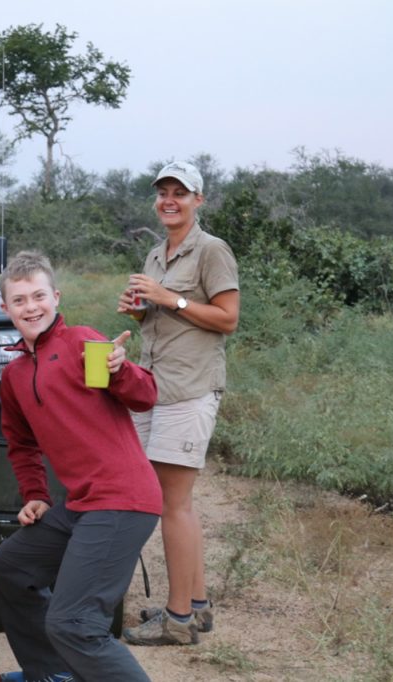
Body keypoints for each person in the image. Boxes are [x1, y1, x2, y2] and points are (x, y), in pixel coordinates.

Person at [0, 251, 162, 682]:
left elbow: (145, 396)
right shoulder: (14, 374)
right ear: (5, 308)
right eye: (19, 300)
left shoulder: (82, 342)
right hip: (81, 504)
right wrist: (35, 494)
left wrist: (121, 370)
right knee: (12, 566)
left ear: (56, 297)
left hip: (122, 498)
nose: (31, 307)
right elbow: (21, 442)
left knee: (74, 624)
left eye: (38, 296)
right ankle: (50, 673)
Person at [117, 161, 240, 646]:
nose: (170, 200)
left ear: (198, 200)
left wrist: (171, 299)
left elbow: (228, 319)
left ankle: (177, 621)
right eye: (163, 192)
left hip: (188, 390)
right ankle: (198, 607)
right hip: (153, 386)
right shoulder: (155, 252)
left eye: (180, 193)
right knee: (173, 503)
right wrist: (141, 307)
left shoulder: (212, 251)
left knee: (174, 505)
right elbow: (160, 312)